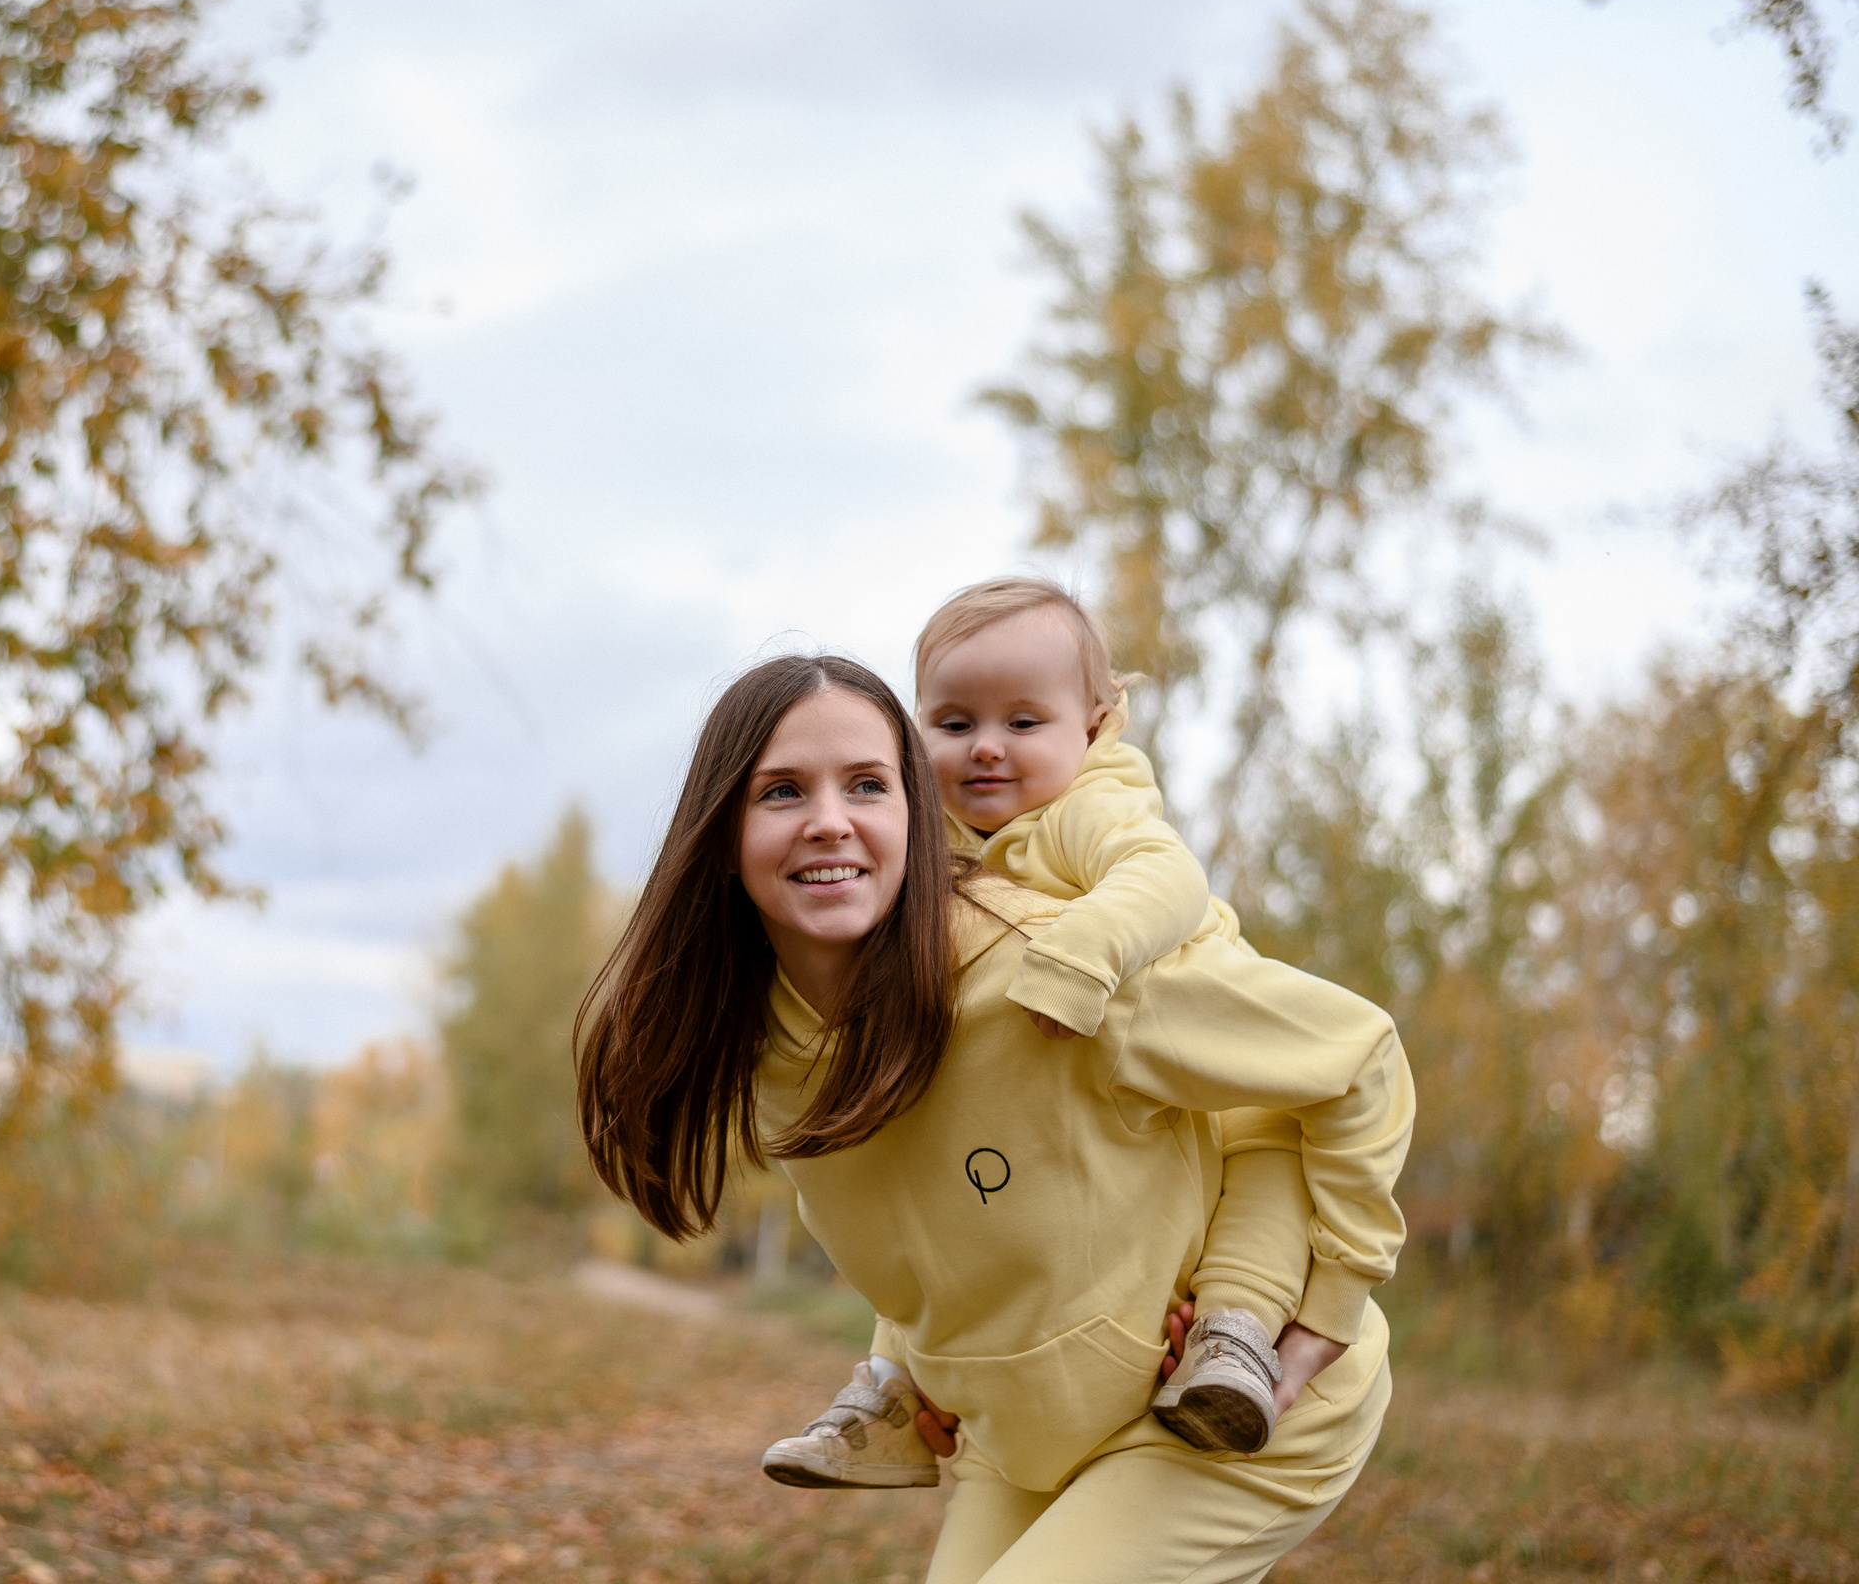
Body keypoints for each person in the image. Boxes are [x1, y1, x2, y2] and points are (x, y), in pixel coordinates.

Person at [575, 654, 1410, 1584]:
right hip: (1033, 1439)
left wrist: (1326, 1310)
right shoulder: (771, 1051)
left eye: (865, 784)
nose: (829, 821)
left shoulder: (1050, 972)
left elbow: (1355, 1052)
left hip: (1221, 1407)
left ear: (913, 818)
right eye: (780, 791)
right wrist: (930, 1360)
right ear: (722, 833)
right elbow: (936, 1215)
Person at [768, 577, 1410, 1461]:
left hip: (1225, 1077)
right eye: (954, 725)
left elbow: (1166, 879)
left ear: (1097, 725)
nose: (986, 749)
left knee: (1262, 1186)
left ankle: (1235, 1340)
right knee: (931, 1176)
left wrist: (1082, 956)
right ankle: (898, 1385)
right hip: (1108, 1113)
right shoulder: (943, 837)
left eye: (1023, 723)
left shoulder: (1088, 808)